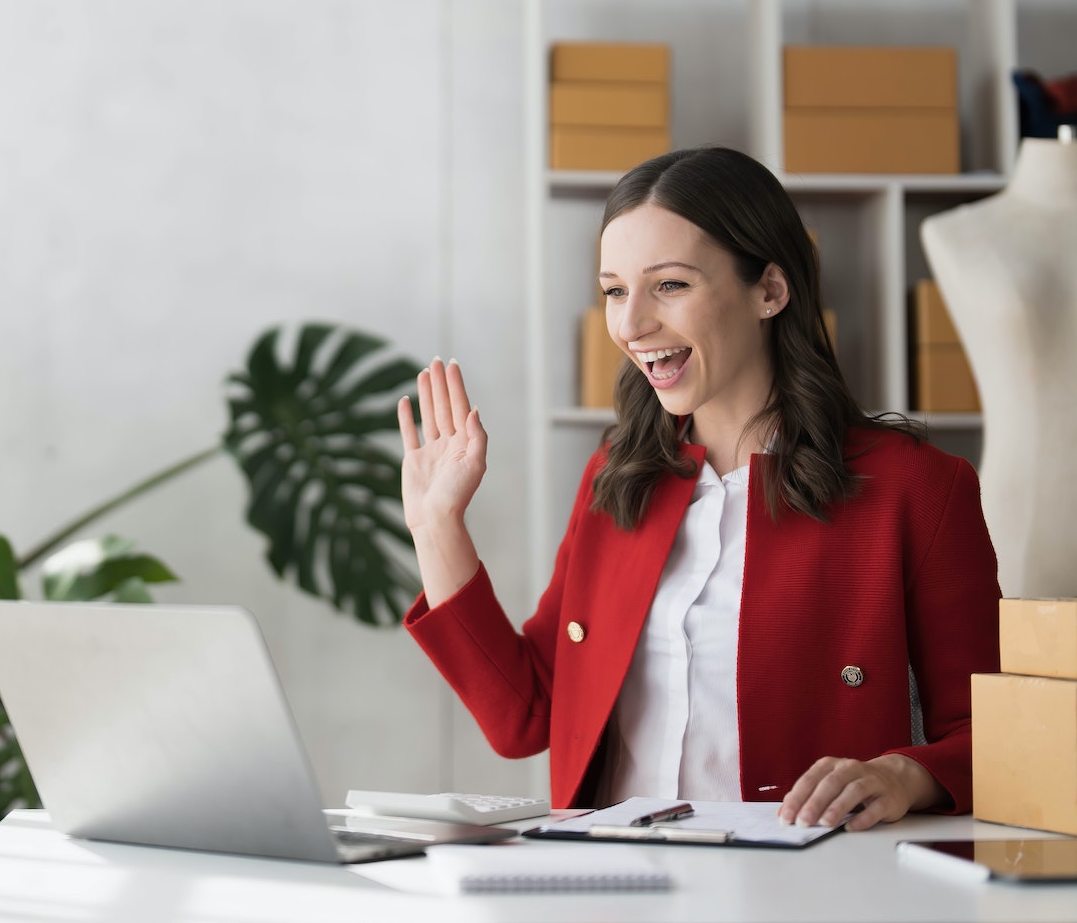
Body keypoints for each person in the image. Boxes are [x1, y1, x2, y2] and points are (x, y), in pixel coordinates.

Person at [396, 147, 1000, 831]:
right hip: (614, 887)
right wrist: (438, 526)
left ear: (770, 290)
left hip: (811, 889)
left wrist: (903, 774)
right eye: (615, 290)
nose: (628, 325)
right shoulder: (616, 477)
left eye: (670, 286)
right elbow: (526, 715)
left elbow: (998, 735)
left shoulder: (914, 488)